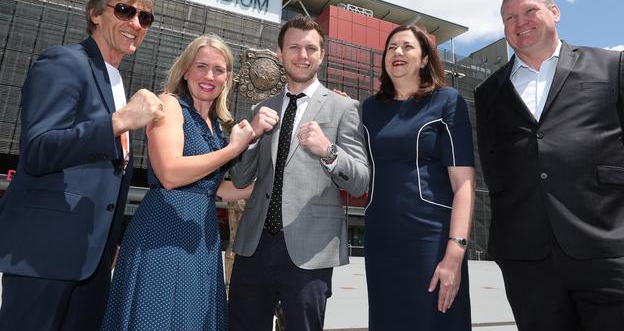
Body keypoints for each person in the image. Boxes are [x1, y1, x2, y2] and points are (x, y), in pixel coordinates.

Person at [475, 0, 624, 331]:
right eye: (509, 17)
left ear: (554, 13)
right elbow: (494, 169)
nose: (519, 22)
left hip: (612, 249)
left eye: (529, 11)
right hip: (529, 259)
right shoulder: (488, 93)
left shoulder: (610, 66)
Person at [0, 0, 163, 330]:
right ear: (94, 14)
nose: (135, 23)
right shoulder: (64, 61)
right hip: (45, 253)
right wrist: (119, 122)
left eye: (145, 18)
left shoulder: (116, 81)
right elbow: (39, 149)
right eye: (124, 10)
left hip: (92, 258)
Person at [101, 34, 254, 330]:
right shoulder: (169, 105)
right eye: (201, 66)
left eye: (218, 70)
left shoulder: (218, 125)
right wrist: (233, 149)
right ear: (185, 71)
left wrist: (263, 188)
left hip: (202, 235)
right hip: (164, 231)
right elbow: (170, 173)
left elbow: (212, 187)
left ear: (227, 79)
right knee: (157, 318)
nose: (209, 76)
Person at [228, 16, 369, 331]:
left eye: (310, 48)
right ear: (280, 54)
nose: (302, 55)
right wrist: (249, 140)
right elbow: (240, 179)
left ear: (322, 55)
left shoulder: (343, 108)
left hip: (310, 249)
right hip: (255, 245)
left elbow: (361, 180)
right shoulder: (261, 108)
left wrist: (328, 150)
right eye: (294, 47)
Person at [361, 25, 475, 331]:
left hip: (430, 238)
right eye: (391, 47)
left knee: (434, 320)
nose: (397, 52)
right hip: (381, 236)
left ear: (424, 59)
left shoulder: (447, 101)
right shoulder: (369, 108)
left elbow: (463, 184)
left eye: (407, 47)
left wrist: (455, 251)